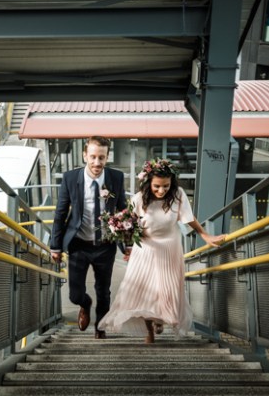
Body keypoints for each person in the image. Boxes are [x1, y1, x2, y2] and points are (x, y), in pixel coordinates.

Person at [97, 158, 226, 343]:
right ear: (148, 182)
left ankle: (160, 318)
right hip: (146, 249)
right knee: (144, 293)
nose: (161, 190)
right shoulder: (139, 198)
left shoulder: (178, 194)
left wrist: (205, 235)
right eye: (157, 186)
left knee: (166, 292)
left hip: (170, 248)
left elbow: (189, 218)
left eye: (166, 186)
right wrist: (123, 236)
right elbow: (129, 222)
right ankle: (149, 331)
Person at [50, 136, 127, 339]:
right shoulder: (70, 178)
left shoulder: (116, 178)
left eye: (101, 157)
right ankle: (85, 304)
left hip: (105, 244)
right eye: (92, 157)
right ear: (85, 155)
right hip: (78, 244)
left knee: (104, 290)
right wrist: (55, 246)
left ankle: (100, 325)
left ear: (107, 157)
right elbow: (60, 213)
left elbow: (123, 210)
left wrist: (127, 244)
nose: (97, 162)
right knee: (75, 294)